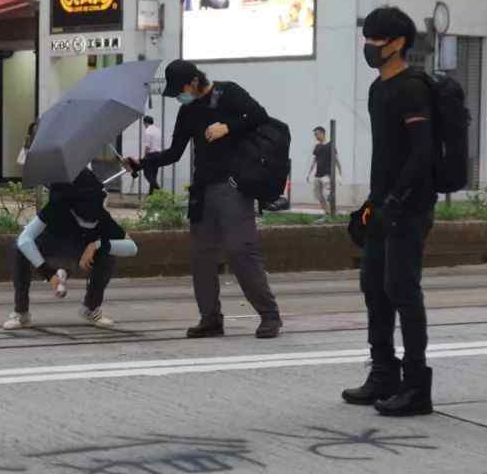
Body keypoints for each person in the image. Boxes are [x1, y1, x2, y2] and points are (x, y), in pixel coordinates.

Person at [130, 60, 283, 340]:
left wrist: (228, 126)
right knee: (201, 257)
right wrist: (141, 163)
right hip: (202, 190)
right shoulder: (188, 111)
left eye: (181, 89)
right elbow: (175, 152)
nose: (180, 95)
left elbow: (259, 117)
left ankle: (270, 315)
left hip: (233, 186)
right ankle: (210, 319)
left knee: (240, 251)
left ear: (195, 81)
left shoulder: (229, 93)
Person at [342, 6, 435, 417]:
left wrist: (396, 200)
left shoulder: (413, 88)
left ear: (398, 44)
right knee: (374, 288)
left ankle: (416, 386)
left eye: (376, 40)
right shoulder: (378, 89)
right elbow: (386, 155)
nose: (369, 47)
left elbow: (422, 153)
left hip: (409, 206)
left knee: (402, 290)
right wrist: (372, 202)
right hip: (382, 205)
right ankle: (383, 373)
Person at [4, 169, 137, 330]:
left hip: (79, 257)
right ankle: (21, 313)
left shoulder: (101, 217)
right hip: (49, 252)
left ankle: (90, 308)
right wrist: (48, 274)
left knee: (108, 254)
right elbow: (24, 240)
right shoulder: (57, 207)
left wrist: (97, 245)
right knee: (18, 249)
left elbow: (132, 247)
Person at [307, 126, 342, 217]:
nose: (315, 136)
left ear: (322, 133)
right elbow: (314, 160)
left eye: (316, 134)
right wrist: (309, 173)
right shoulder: (317, 146)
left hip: (327, 175)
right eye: (315, 135)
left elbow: (336, 159)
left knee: (328, 195)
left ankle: (333, 212)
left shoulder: (331, 144)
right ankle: (327, 212)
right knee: (318, 195)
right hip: (318, 174)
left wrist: (340, 173)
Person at [142, 116, 163, 195]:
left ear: (145, 122)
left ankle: (160, 191)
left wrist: (145, 157)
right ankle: (151, 195)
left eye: (144, 123)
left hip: (151, 155)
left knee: (147, 174)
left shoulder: (148, 131)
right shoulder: (158, 130)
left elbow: (147, 146)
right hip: (158, 155)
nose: (144, 125)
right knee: (153, 176)